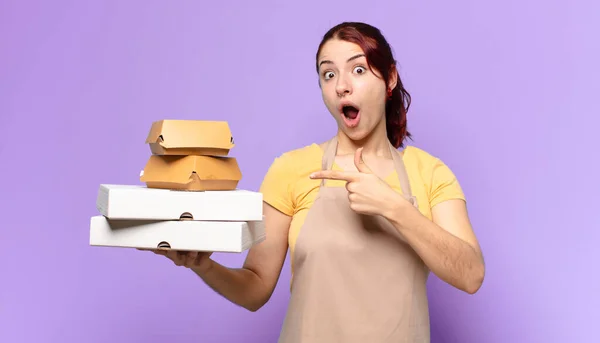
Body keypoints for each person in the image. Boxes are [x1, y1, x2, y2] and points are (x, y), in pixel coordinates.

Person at [150, 21, 485, 342]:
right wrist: (204, 265)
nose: (342, 85)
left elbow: (470, 275)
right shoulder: (292, 169)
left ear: (390, 78)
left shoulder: (429, 173)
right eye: (329, 74)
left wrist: (396, 208)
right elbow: (255, 289)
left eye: (358, 69)